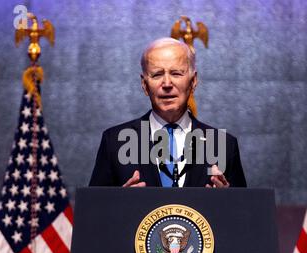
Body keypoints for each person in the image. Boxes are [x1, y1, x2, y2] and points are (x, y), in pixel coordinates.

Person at [89, 37, 246, 188]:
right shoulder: (114, 142)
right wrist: (120, 202)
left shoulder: (223, 145)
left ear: (193, 81)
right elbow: (95, 210)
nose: (167, 83)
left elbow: (243, 212)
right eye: (157, 74)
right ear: (144, 84)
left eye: (176, 73)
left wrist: (226, 200)